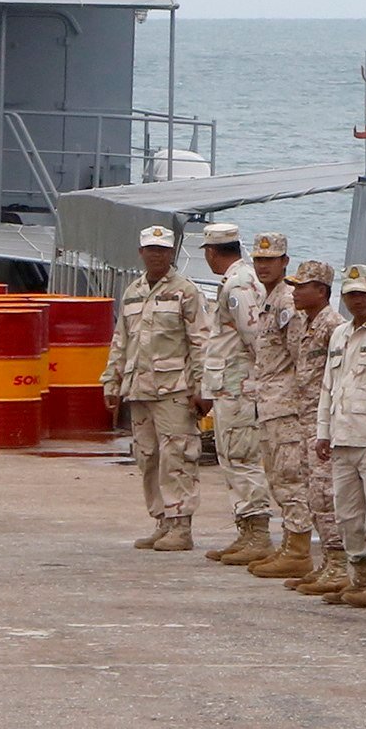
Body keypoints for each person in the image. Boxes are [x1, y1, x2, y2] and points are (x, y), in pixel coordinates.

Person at [98, 222, 211, 549]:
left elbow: (200, 341)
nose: (156, 255)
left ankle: (181, 525)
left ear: (172, 253)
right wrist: (111, 380)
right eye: (151, 249)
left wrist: (201, 387)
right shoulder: (133, 292)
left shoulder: (186, 291)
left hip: (174, 389)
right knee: (148, 457)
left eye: (163, 250)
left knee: (178, 455)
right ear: (141, 252)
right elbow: (121, 339)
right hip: (139, 388)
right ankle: (162, 520)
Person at [305, 267, 366, 605]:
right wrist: (322, 433)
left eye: (363, 293)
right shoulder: (340, 334)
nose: (357, 299)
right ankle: (358, 579)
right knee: (347, 514)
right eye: (351, 294)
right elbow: (329, 387)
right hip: (342, 439)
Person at [240, 246, 325, 580]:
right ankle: (291, 541)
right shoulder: (270, 298)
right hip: (271, 403)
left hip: (287, 406)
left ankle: (299, 549)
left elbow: (298, 357)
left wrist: (300, 407)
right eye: (258, 260)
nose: (263, 266)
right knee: (278, 476)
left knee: (291, 477)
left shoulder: (287, 302)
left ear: (284, 261)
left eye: (270, 260)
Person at [195, 220, 275, 564]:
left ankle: (257, 534)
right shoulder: (237, 280)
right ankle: (245, 531)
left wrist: (258, 383)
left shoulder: (239, 284)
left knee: (242, 459)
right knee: (232, 458)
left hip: (240, 388)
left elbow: (254, 335)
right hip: (231, 387)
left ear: (212, 253)